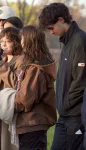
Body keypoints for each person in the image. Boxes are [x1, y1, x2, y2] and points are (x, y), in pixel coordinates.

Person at [39, 3, 86, 150]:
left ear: (61, 20)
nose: (51, 33)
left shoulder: (80, 40)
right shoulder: (66, 41)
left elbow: (80, 80)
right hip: (65, 114)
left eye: (51, 28)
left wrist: (66, 103)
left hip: (75, 115)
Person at [0, 27, 23, 150]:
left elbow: (16, 84)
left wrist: (0, 65)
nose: (3, 44)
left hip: (10, 109)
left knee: (8, 144)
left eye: (7, 41)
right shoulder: (3, 59)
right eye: (1, 41)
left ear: (16, 41)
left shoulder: (21, 59)